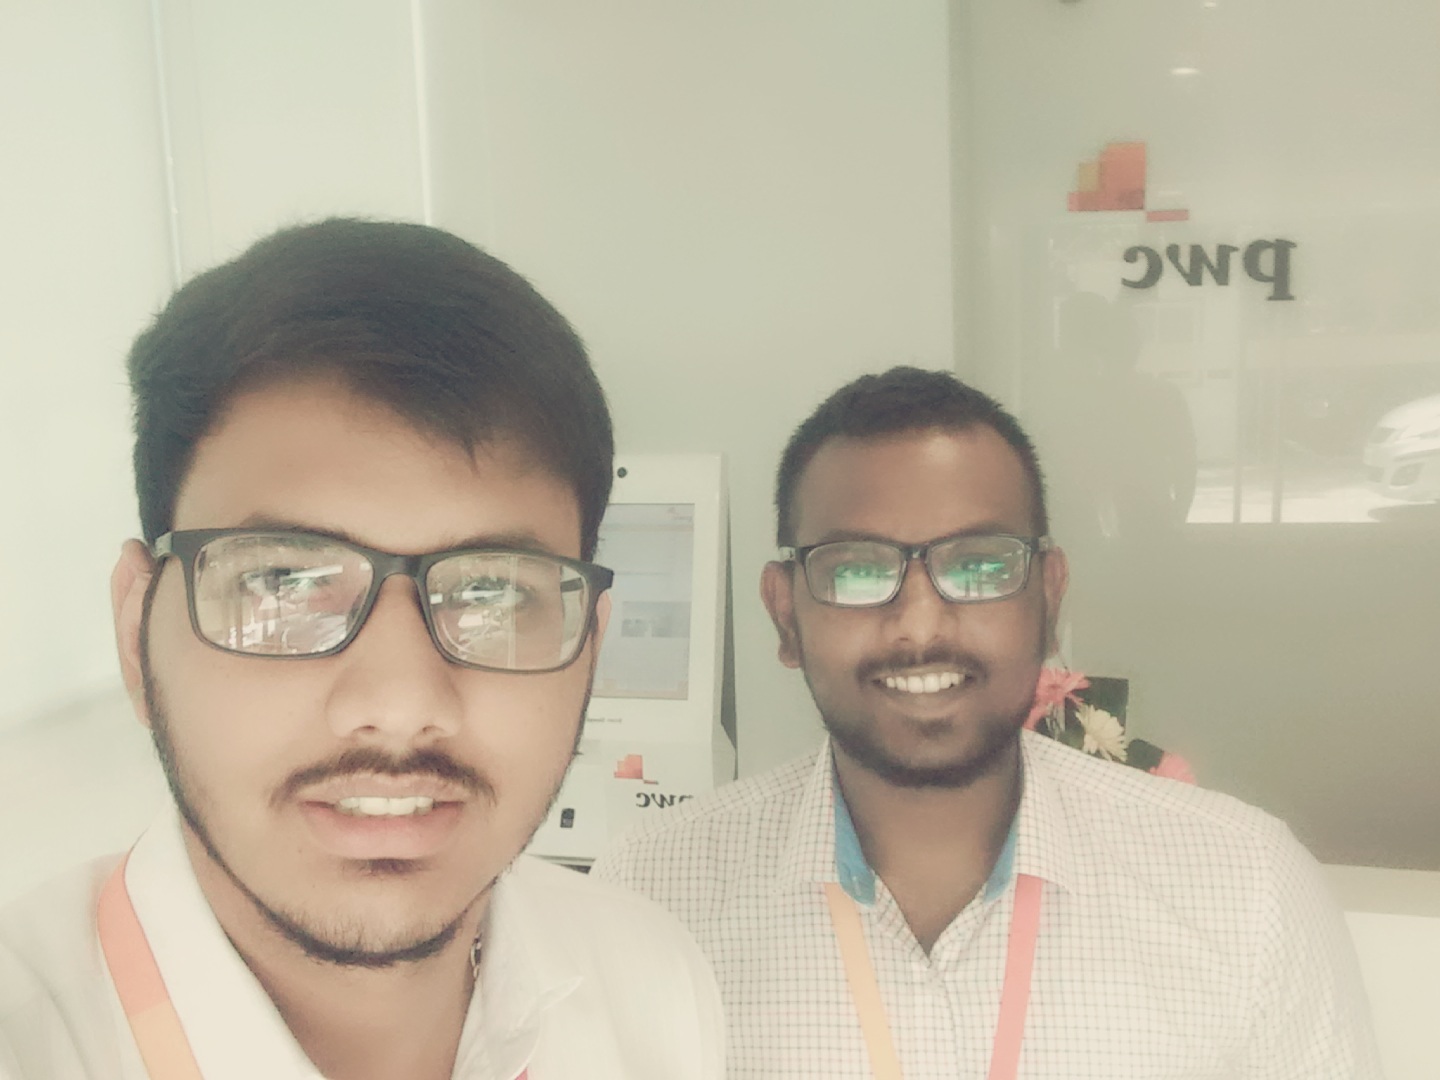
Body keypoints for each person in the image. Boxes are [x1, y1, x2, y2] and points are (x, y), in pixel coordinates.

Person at [0, 219, 724, 1080]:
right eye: (282, 581)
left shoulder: (648, 986)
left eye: (493, 592)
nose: (401, 702)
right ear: (135, 633)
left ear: (591, 649)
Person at [593, 367, 1380, 1079]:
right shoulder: (650, 897)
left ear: (1050, 596)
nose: (920, 624)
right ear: (784, 614)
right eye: (857, 569)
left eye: (978, 565)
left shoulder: (1245, 890)